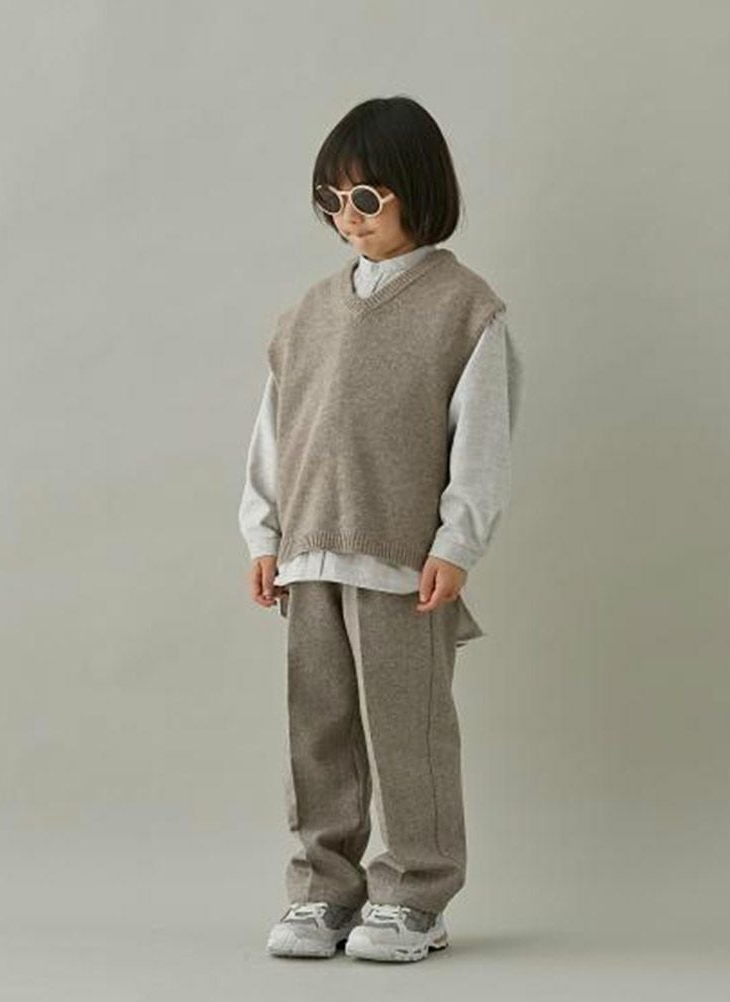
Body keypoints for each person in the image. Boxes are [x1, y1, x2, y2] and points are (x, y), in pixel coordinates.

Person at [237, 95, 522, 963]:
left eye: (366, 198)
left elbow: (481, 444)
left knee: (408, 731)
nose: (347, 217)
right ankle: (324, 888)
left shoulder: (465, 310)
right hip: (309, 554)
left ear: (419, 191)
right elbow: (274, 433)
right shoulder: (307, 315)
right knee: (318, 730)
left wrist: (456, 545)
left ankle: (416, 894)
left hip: (403, 562)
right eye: (332, 200)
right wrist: (263, 535)